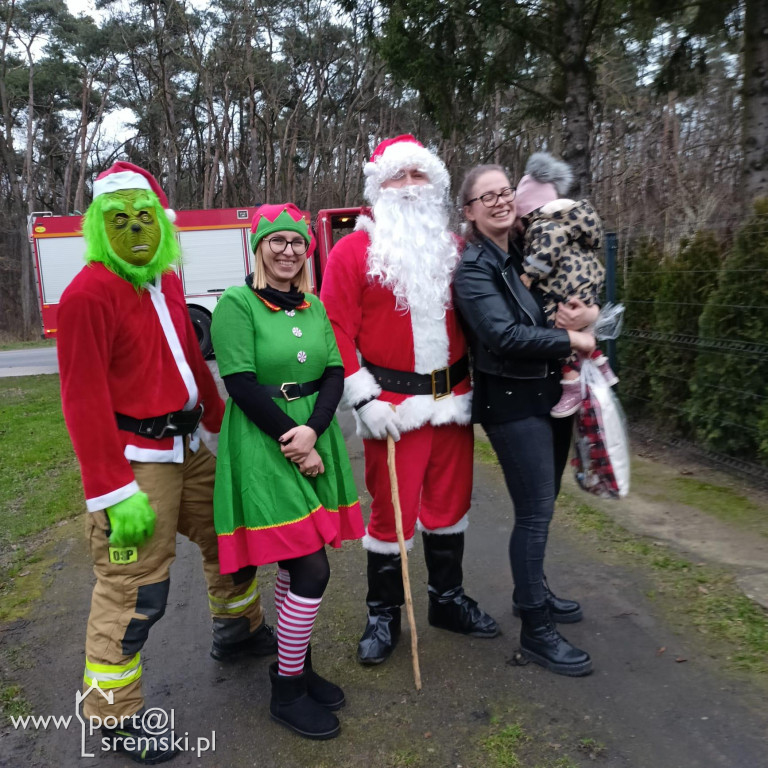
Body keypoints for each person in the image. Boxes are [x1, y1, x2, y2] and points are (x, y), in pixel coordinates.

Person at [57, 161, 276, 765]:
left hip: (190, 448)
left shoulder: (166, 280)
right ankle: (113, 713)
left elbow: (190, 356)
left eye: (146, 218)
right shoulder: (87, 294)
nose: (136, 230)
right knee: (133, 589)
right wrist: (110, 489)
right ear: (102, 226)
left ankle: (238, 631)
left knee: (232, 539)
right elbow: (81, 400)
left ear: (162, 221)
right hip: (137, 466)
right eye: (120, 221)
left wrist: (216, 423)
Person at [320, 134, 499, 668]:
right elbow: (334, 330)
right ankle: (384, 614)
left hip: (455, 401)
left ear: (436, 184)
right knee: (391, 516)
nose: (408, 187)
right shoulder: (354, 250)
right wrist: (363, 400)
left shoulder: (457, 248)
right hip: (392, 409)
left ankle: (447, 602)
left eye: (418, 176)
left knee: (450, 507)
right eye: (397, 177)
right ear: (379, 187)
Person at [210, 203, 364, 741]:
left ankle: (294, 663)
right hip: (263, 440)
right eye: (277, 241)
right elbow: (241, 384)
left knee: (298, 564)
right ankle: (287, 689)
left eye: (298, 243)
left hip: (310, 432)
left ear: (307, 251)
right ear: (259, 247)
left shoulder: (313, 307)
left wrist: (316, 431)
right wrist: (294, 442)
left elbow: (334, 373)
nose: (288, 251)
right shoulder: (237, 302)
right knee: (311, 567)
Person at [453, 163, 597, 677]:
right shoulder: (474, 269)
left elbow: (557, 306)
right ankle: (536, 631)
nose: (499, 201)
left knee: (545, 505)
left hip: (548, 394)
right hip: (511, 402)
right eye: (485, 196)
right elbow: (502, 336)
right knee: (534, 511)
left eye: (505, 191)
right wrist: (572, 340)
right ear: (469, 211)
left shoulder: (524, 251)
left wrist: (584, 317)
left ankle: (529, 593)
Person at [515, 152, 617, 418]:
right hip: (585, 283)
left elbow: (546, 251)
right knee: (576, 325)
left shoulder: (543, 227)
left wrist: (528, 276)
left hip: (563, 286)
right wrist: (591, 310)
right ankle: (598, 361)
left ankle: (570, 380)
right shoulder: (571, 221)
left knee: (557, 327)